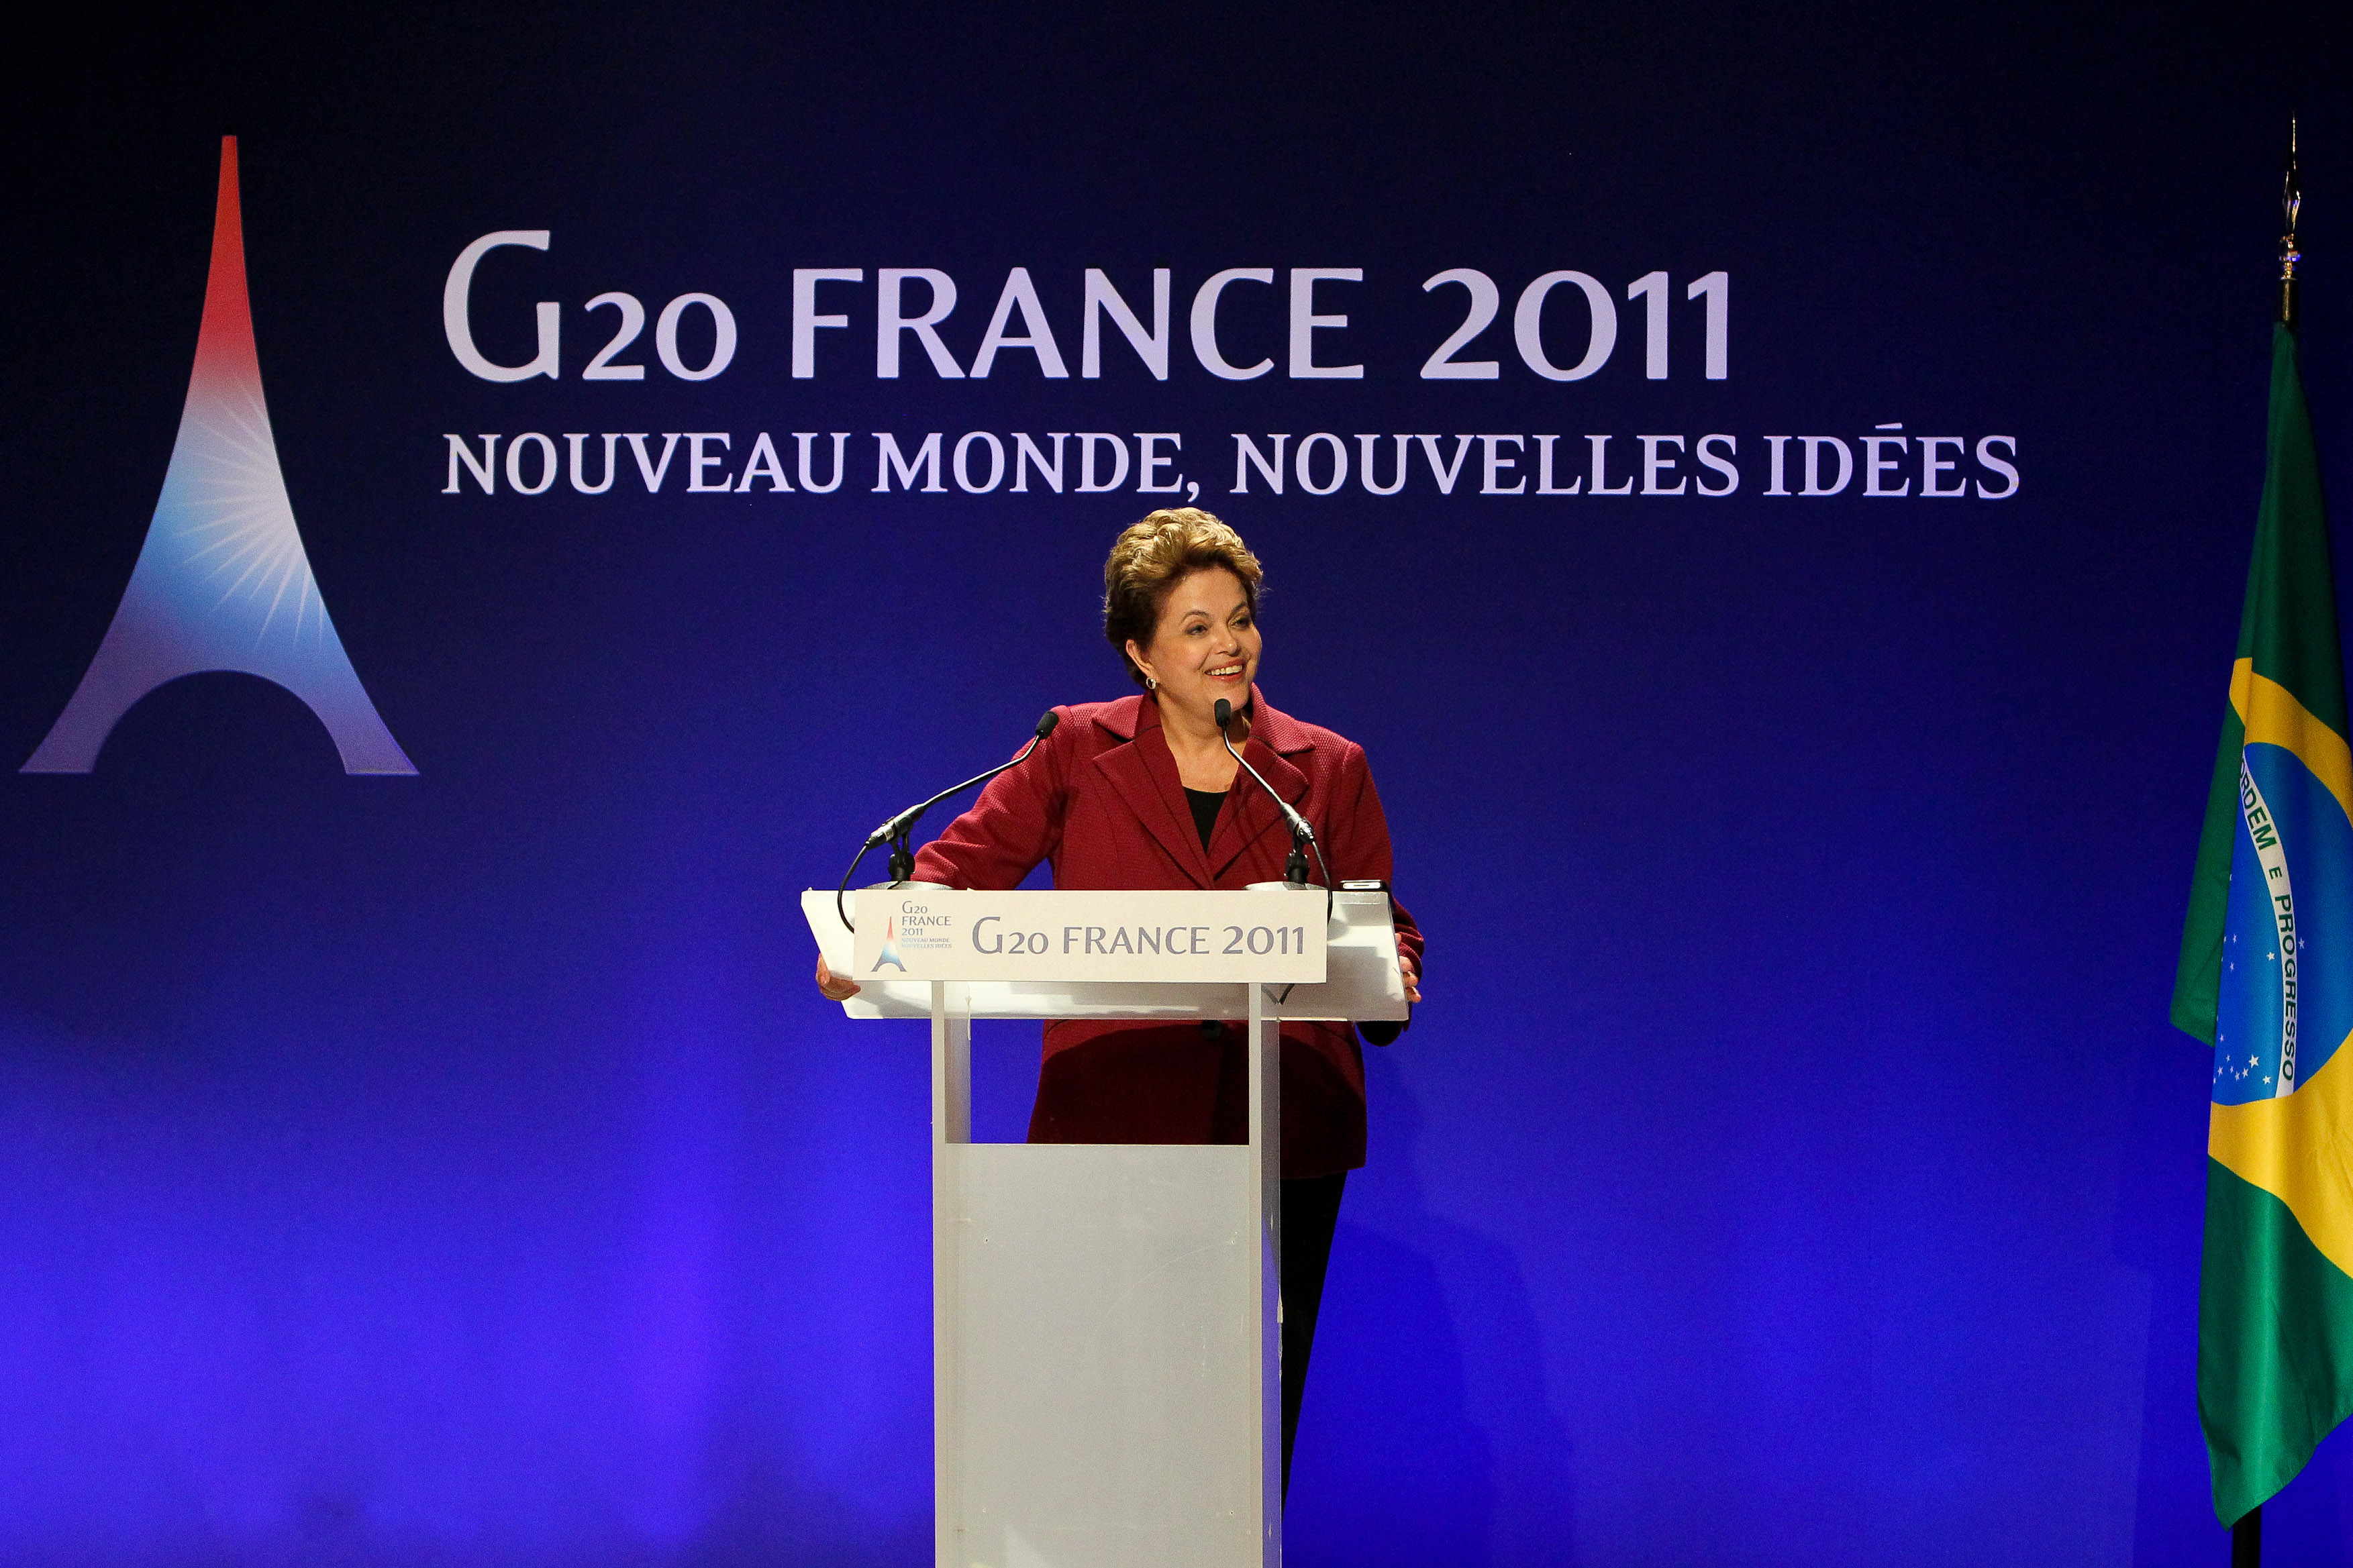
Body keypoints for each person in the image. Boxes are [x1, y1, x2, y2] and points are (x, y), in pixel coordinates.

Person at [815, 507, 1423, 1492]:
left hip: (1282, 1128)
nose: (1228, 646)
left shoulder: (1324, 766)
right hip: (1112, 1118)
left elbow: (1383, 922)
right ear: (1140, 652)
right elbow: (958, 869)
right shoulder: (1071, 748)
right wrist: (875, 941)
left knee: (1247, 1430)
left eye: (1240, 619)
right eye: (1196, 626)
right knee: (1106, 1422)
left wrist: (1389, 974)